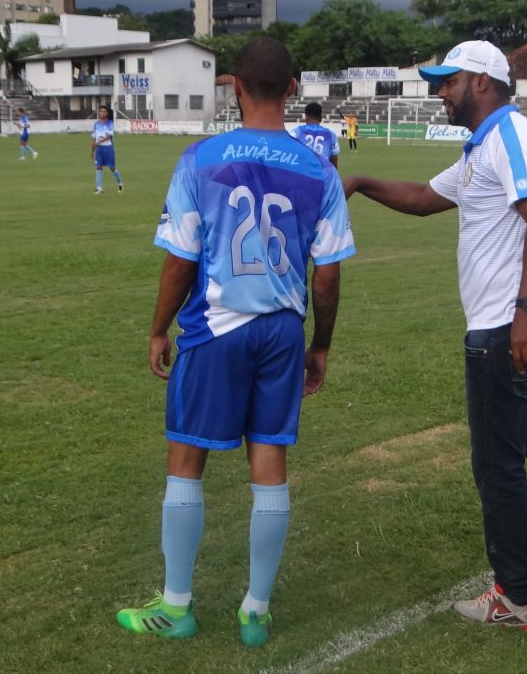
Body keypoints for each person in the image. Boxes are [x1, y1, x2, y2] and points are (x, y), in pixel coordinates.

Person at [342, 40, 527, 631]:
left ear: (482, 81)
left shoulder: (511, 136)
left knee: (499, 464)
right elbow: (424, 199)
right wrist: (359, 181)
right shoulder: (482, 147)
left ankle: (518, 597)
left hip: (512, 329)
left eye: (449, 80)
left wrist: (525, 310)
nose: (441, 91)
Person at [116, 37, 355, 647]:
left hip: (216, 328)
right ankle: (255, 610)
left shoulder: (200, 158)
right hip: (282, 332)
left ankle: (177, 606)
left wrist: (158, 327)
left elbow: (180, 259)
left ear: (234, 86)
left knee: (186, 459)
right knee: (269, 461)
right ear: (293, 88)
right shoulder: (320, 170)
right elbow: (327, 276)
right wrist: (320, 345)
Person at [291, 101, 341, 167]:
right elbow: (334, 161)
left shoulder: (296, 132)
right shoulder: (331, 135)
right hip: (322, 172)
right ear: (321, 118)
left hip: (303, 172)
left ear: (306, 117)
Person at [90, 104, 123, 194]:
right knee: (98, 167)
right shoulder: (96, 124)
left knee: (112, 168)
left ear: (107, 113)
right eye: (101, 111)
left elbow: (109, 136)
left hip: (108, 148)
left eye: (104, 112)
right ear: (99, 113)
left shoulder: (110, 123)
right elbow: (94, 138)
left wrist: (99, 142)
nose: (103, 113)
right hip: (99, 149)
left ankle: (120, 183)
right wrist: (92, 150)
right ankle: (99, 189)